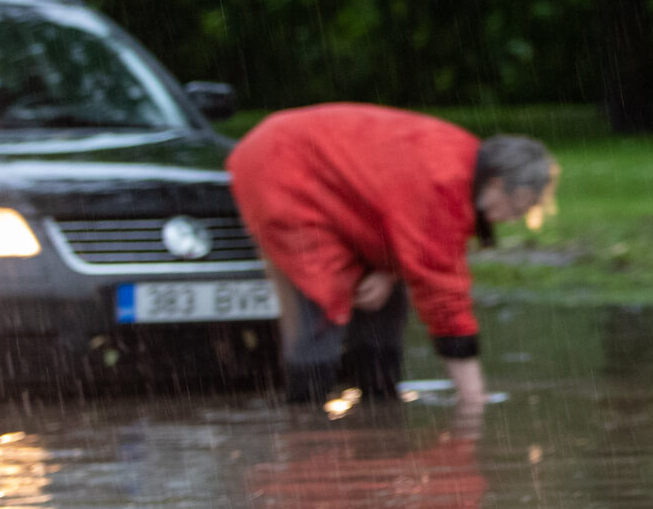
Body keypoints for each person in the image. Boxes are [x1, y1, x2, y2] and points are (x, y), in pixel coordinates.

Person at [228, 105, 557, 404]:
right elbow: (442, 292)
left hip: (317, 177)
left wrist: (388, 271)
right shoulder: (445, 184)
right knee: (322, 304)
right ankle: (306, 427)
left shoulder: (463, 162)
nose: (511, 219)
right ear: (498, 185)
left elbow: (392, 213)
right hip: (281, 171)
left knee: (382, 301)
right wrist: (473, 398)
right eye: (518, 209)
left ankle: (378, 404)